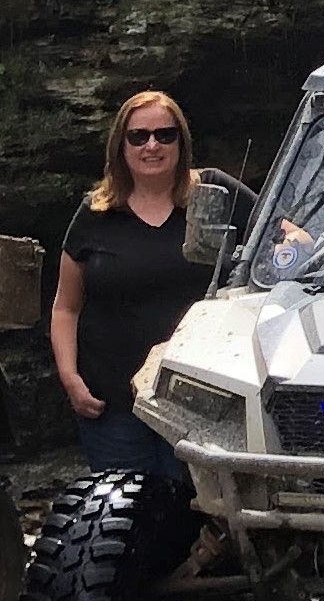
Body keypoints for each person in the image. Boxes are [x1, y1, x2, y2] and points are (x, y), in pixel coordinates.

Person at [51, 90, 255, 480]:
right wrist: (70, 378)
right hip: (113, 404)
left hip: (204, 404)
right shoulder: (96, 213)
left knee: (199, 511)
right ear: (120, 145)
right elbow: (66, 306)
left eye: (165, 135)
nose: (152, 146)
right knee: (121, 510)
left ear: (181, 141)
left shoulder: (215, 194)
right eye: (138, 136)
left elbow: (284, 234)